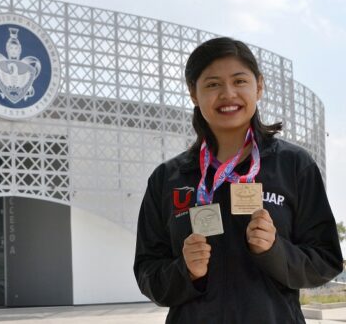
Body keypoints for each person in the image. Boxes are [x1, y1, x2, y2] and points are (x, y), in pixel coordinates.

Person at [133, 37, 343, 323]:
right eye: (212, 84)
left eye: (239, 81)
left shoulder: (294, 165)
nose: (228, 93)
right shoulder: (167, 178)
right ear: (193, 94)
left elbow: (326, 260)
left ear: (259, 86)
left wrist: (274, 250)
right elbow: (148, 273)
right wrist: (186, 271)